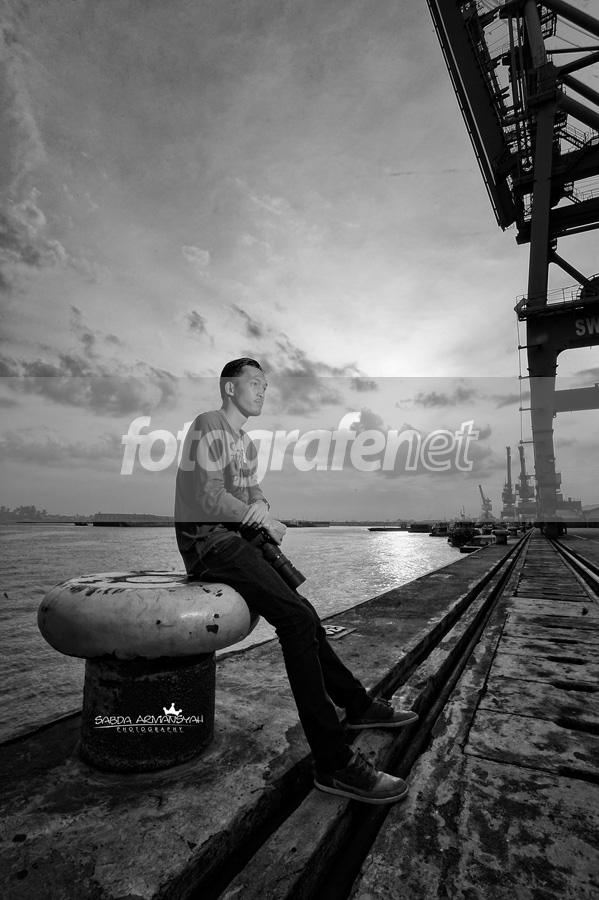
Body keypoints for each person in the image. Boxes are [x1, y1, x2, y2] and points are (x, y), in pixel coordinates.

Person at [174, 357, 418, 804]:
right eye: (254, 383)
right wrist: (259, 516)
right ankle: (333, 761)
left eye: (265, 385)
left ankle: (359, 706)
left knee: (305, 613)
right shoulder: (209, 424)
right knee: (295, 620)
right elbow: (208, 496)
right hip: (208, 542)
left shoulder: (245, 443)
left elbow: (253, 492)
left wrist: (263, 510)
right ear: (228, 388)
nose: (262, 391)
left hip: (237, 539)